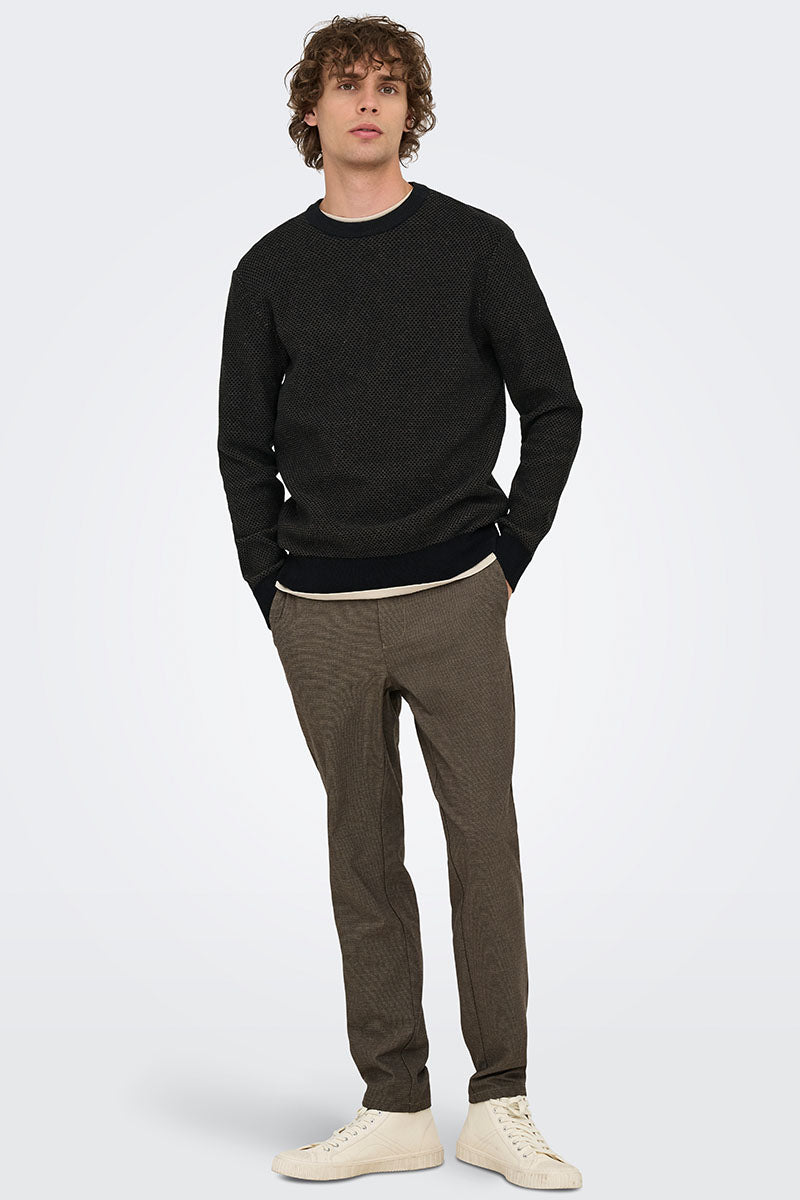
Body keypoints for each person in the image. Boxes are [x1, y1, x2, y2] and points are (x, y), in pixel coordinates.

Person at [217, 14, 583, 1189]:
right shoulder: (269, 270)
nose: (366, 102)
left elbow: (554, 406)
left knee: (484, 845)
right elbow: (240, 444)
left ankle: (498, 1103)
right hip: (317, 612)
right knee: (361, 854)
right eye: (345, 85)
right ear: (311, 111)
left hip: (454, 594)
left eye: (387, 85)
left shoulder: (475, 246)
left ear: (410, 110)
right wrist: (269, 586)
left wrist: (507, 555)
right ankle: (391, 1107)